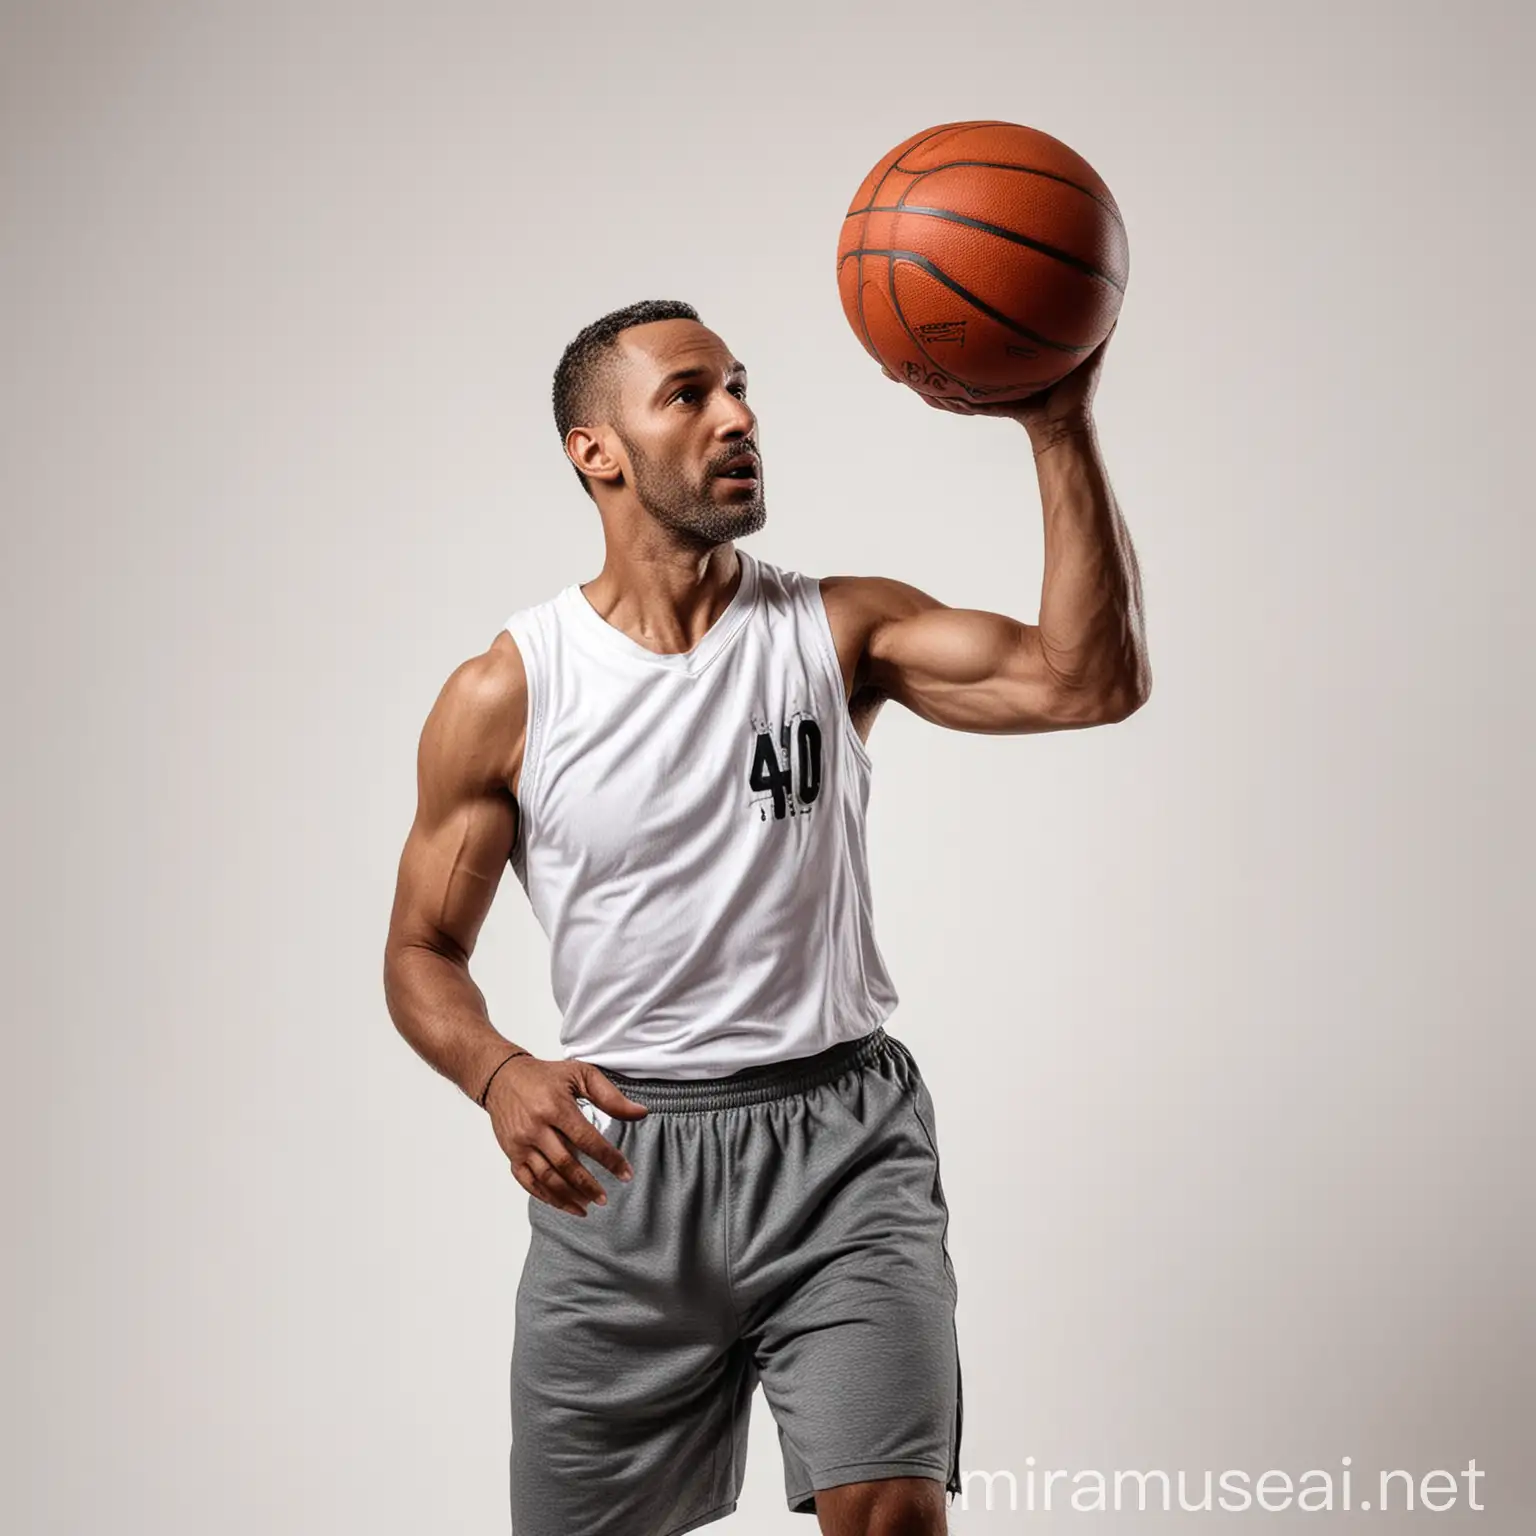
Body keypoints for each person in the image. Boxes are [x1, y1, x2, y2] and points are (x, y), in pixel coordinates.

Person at [382, 298, 1149, 1536]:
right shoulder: (508, 691)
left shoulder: (838, 629)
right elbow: (420, 951)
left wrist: (1058, 425)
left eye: (740, 386)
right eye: (690, 395)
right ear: (598, 451)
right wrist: (499, 1070)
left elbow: (1088, 679)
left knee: (892, 1514)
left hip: (841, 1148)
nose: (739, 415)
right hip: (624, 1171)